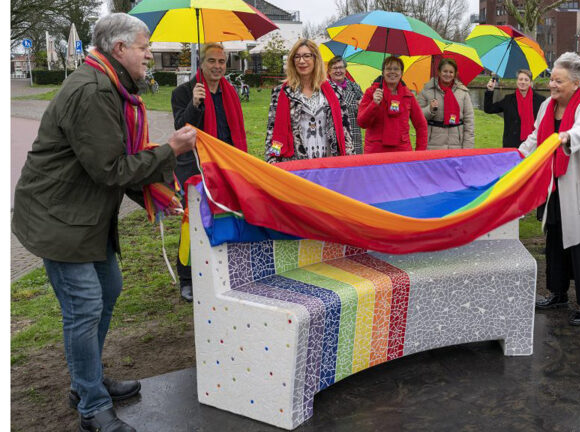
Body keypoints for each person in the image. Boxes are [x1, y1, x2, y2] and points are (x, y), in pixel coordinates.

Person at [11, 13, 197, 432]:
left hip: (82, 215)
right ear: (119, 49)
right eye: (144, 47)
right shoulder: (95, 91)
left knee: (108, 289)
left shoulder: (113, 86)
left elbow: (112, 160)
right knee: (84, 307)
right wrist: (169, 149)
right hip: (59, 218)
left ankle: (86, 380)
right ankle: (91, 404)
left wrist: (156, 196)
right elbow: (110, 169)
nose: (150, 54)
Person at [519, 52, 580, 326]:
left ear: (575, 83)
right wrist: (517, 156)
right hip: (556, 183)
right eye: (551, 79)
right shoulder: (547, 107)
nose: (552, 85)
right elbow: (535, 137)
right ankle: (557, 292)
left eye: (558, 81)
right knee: (555, 237)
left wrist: (565, 136)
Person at [171, 42, 247, 302]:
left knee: (224, 217)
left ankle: (217, 270)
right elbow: (182, 129)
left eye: (222, 61)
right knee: (192, 223)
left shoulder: (230, 93)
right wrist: (194, 103)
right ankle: (187, 278)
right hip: (194, 167)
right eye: (212, 61)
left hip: (225, 166)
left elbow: (234, 133)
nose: (217, 66)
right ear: (201, 63)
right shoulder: (183, 92)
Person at [265, 39, 353, 163]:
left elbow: (345, 131)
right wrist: (272, 161)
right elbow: (272, 132)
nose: (302, 61)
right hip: (295, 164)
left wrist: (349, 162)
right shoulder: (281, 93)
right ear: (292, 61)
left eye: (307, 56)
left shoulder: (335, 91)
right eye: (297, 57)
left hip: (329, 163)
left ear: (315, 59)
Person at [357, 56, 428, 153]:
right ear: (383, 72)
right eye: (388, 69)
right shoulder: (371, 92)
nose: (392, 72)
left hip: (402, 153)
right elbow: (362, 123)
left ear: (401, 73)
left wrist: (420, 153)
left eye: (396, 69)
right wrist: (374, 104)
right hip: (376, 152)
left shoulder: (409, 96)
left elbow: (421, 125)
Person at [416, 58, 475, 150]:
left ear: (455, 74)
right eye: (445, 71)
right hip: (433, 145)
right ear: (439, 72)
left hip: (456, 145)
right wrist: (429, 110)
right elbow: (417, 117)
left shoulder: (463, 92)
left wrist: (468, 148)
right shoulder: (427, 90)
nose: (448, 74)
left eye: (451, 72)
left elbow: (469, 122)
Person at [484, 69, 546, 148]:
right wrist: (490, 90)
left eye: (526, 80)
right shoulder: (508, 100)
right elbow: (488, 109)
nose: (523, 82)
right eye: (520, 79)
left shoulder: (540, 100)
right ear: (517, 81)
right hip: (511, 146)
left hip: (533, 145)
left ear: (530, 83)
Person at [327, 55, 364, 154]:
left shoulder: (355, 87)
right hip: (333, 136)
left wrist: (362, 106)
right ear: (329, 71)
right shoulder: (324, 89)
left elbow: (364, 115)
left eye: (341, 67)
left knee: (354, 167)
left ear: (345, 70)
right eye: (335, 68)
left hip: (353, 135)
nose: (338, 71)